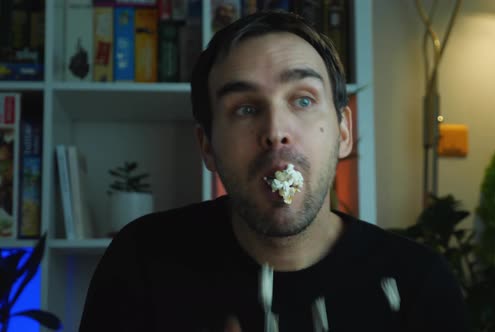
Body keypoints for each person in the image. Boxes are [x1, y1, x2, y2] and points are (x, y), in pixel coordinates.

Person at [80, 11, 469, 332]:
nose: (276, 131)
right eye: (245, 109)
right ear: (207, 147)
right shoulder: (143, 262)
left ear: (345, 132)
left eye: (302, 99)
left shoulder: (419, 283)